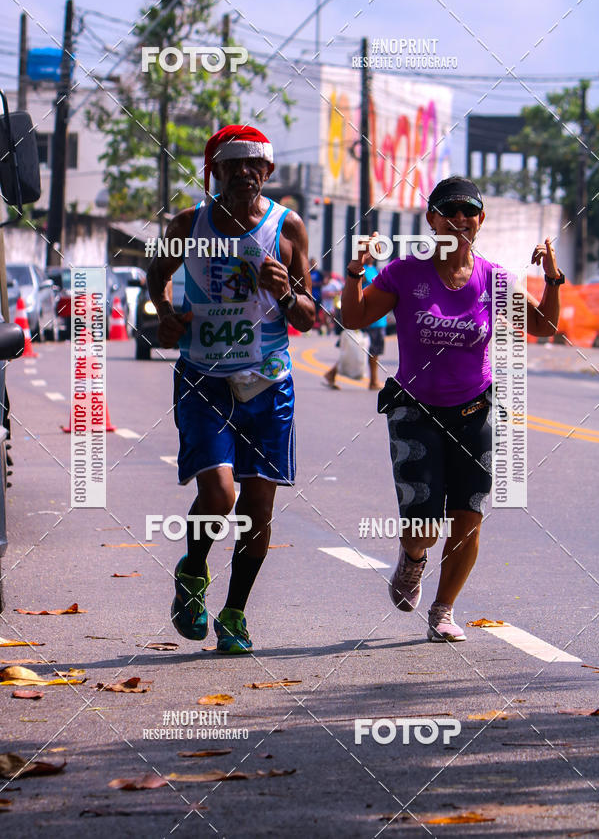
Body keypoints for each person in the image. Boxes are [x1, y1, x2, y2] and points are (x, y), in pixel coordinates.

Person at [341, 176, 563, 642]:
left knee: (468, 517)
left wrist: (553, 280)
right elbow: (356, 317)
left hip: (474, 412)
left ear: (481, 219)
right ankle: (414, 556)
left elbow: (542, 326)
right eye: (449, 210)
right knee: (423, 526)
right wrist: (356, 273)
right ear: (432, 219)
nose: (459, 219)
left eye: (469, 211)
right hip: (415, 412)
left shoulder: (491, 278)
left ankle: (443, 610)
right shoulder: (405, 272)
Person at [147, 124, 315, 654]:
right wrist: (166, 315)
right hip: (204, 377)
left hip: (268, 382)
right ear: (213, 172)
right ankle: (194, 571)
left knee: (258, 509)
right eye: (232, 164)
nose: (243, 173)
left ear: (267, 172)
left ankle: (236, 613)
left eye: (254, 165)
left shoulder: (287, 229)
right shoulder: (187, 224)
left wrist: (286, 292)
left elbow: (310, 317)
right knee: (219, 495)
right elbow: (157, 274)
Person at [363, 252, 386, 390]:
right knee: (371, 350)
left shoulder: (374, 270)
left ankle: (332, 373)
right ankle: (374, 380)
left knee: (372, 351)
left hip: (379, 317)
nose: (370, 255)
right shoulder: (364, 270)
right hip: (371, 318)